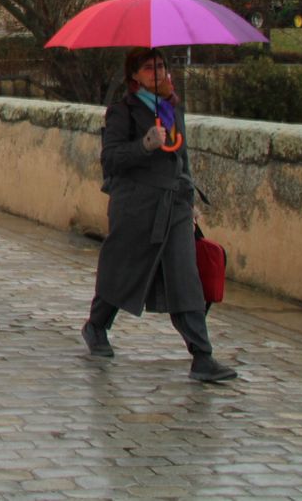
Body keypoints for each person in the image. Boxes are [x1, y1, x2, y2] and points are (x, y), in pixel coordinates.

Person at [81, 47, 238, 383]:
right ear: (134, 75)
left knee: (184, 276)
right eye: (149, 67)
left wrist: (188, 198)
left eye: (161, 66)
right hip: (135, 206)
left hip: (174, 205)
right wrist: (144, 145)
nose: (158, 72)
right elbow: (111, 159)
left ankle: (202, 356)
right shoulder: (122, 112)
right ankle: (96, 325)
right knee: (124, 270)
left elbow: (182, 159)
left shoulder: (172, 108)